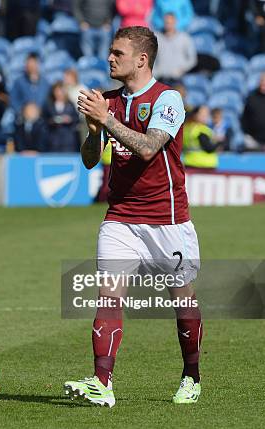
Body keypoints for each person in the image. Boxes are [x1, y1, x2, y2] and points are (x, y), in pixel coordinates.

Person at [65, 26, 203, 407]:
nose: (110, 58)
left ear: (141, 59)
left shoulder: (168, 99)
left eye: (117, 53)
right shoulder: (108, 101)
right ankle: (101, 382)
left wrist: (105, 121)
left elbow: (147, 148)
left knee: (183, 301)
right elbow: (91, 159)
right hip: (121, 217)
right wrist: (94, 131)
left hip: (167, 220)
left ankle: (191, 374)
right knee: (108, 296)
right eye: (110, 52)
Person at [153, 13, 197, 84]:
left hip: (177, 80)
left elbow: (192, 60)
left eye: (170, 22)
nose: (168, 25)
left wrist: (181, 69)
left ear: (175, 22)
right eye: (167, 22)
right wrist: (155, 72)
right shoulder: (156, 38)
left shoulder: (184, 38)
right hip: (160, 79)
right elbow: (150, 57)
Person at [43, 81, 80, 152]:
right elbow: (44, 120)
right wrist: (51, 121)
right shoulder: (48, 105)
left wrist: (70, 119)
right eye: (57, 91)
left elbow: (76, 119)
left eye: (61, 91)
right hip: (53, 140)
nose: (59, 93)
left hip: (68, 141)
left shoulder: (70, 104)